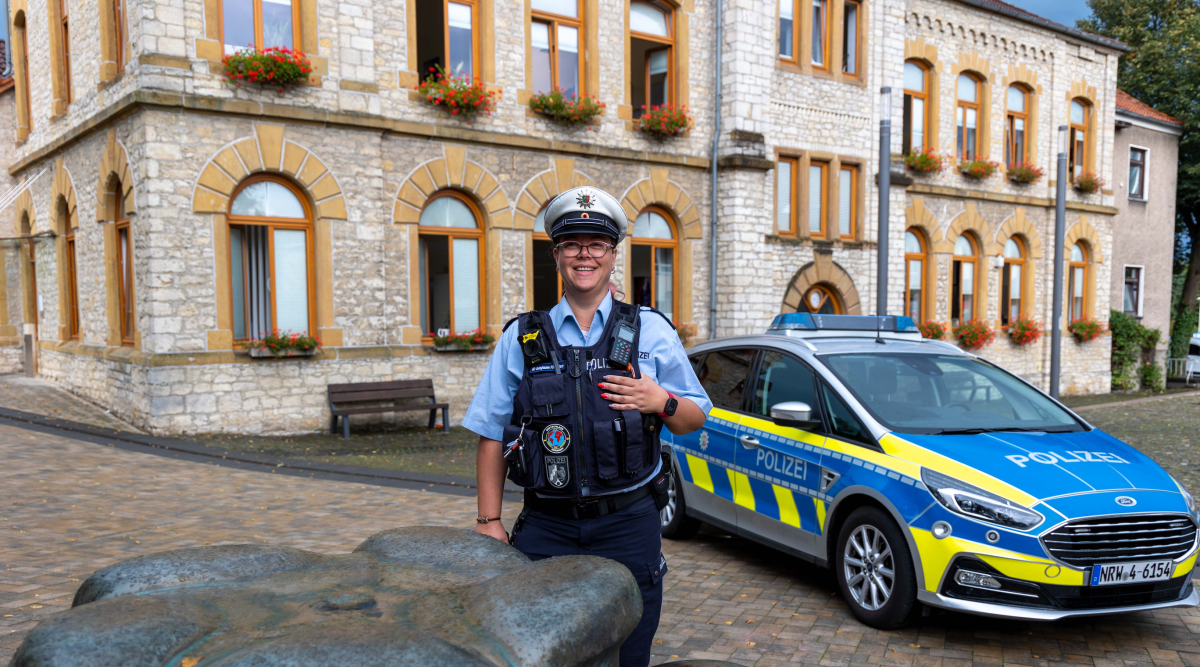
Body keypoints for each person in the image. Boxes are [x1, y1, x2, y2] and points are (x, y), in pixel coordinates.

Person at [462, 186, 711, 667]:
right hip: (545, 529)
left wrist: (662, 400)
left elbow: (694, 419)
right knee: (535, 651)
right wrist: (488, 521)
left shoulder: (651, 330)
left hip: (629, 524)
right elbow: (491, 432)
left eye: (596, 244)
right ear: (556, 255)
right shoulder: (523, 336)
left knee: (628, 654)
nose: (584, 255)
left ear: (613, 256)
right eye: (572, 244)